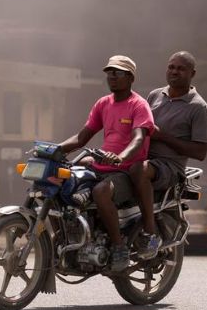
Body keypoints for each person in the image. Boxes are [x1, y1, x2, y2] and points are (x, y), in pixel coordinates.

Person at [59, 55, 155, 272]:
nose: (112, 76)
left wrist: (121, 157)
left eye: (118, 72)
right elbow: (81, 138)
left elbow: (138, 139)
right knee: (66, 178)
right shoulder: (103, 103)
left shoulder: (139, 105)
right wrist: (55, 149)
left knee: (101, 191)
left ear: (130, 77)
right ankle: (73, 239)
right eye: (109, 72)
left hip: (126, 170)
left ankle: (119, 246)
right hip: (102, 165)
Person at [129, 51, 207, 260]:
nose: (174, 71)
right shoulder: (155, 95)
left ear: (192, 74)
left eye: (180, 68)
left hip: (169, 167)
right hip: (143, 159)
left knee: (140, 169)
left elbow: (200, 152)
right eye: (171, 67)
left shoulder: (198, 107)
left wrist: (162, 137)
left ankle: (150, 232)